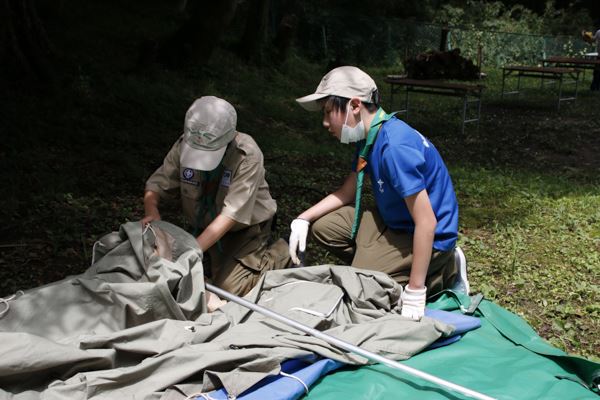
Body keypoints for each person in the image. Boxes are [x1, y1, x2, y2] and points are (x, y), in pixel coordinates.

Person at [289, 66, 462, 320]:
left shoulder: (394, 147)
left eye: (328, 112)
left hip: (428, 235)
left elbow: (427, 222)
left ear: (355, 106)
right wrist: (303, 218)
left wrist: (415, 292)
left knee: (361, 285)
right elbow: (348, 192)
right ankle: (382, 266)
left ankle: (438, 272)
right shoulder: (369, 136)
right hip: (396, 223)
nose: (325, 123)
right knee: (324, 227)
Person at [143, 96, 291, 296]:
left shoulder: (246, 155)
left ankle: (283, 252)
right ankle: (211, 260)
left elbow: (230, 215)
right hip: (203, 226)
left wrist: (190, 251)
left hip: (242, 229)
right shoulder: (186, 142)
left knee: (228, 290)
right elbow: (157, 185)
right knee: (183, 281)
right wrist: (151, 211)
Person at [582, 24, 600, 91]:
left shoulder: (599, 31)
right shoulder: (599, 32)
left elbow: (592, 40)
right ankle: (595, 88)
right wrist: (586, 36)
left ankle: (594, 88)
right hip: (599, 56)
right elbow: (592, 39)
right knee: (597, 73)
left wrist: (585, 36)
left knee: (597, 72)